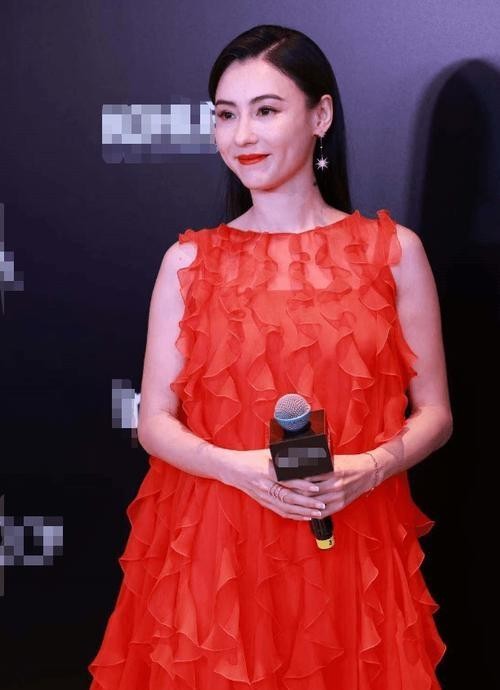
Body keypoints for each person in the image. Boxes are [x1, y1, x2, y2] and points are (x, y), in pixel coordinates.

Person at [88, 24, 453, 690]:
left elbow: (435, 414)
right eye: (227, 115)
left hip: (351, 538)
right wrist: (239, 470)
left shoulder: (393, 253)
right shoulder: (188, 262)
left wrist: (369, 468)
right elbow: (155, 421)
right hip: (215, 552)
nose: (242, 136)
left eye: (265, 110)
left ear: (320, 115)